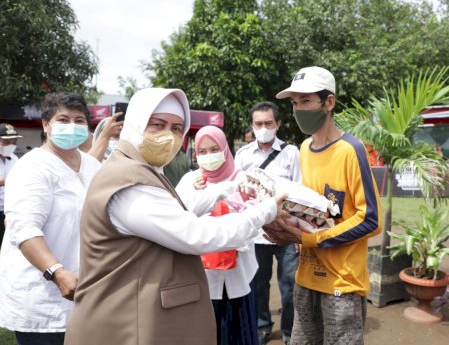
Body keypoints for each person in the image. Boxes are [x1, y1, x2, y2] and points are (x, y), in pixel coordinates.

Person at [65, 88, 286, 345]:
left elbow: (179, 212)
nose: (168, 135)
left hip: (133, 315)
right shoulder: (130, 181)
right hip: (126, 325)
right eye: (158, 125)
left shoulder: (141, 170)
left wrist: (222, 191)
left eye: (177, 128)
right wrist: (264, 211)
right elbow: (195, 234)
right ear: (137, 124)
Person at [264, 66, 382, 344]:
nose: (298, 109)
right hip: (306, 278)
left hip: (342, 284)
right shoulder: (305, 149)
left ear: (329, 102)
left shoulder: (351, 151)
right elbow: (314, 207)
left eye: (306, 101)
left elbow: (370, 220)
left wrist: (310, 238)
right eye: (294, 103)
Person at [0, 93, 101, 345]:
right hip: (43, 297)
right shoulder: (32, 167)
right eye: (63, 119)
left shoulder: (92, 166)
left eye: (79, 120)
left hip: (86, 292)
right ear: (46, 125)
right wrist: (56, 272)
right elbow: (23, 228)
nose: (72, 126)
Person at [176, 125, 259, 345]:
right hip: (203, 279)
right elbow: (178, 220)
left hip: (239, 275)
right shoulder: (189, 181)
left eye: (214, 149)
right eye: (202, 151)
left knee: (240, 333)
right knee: (208, 334)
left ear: (225, 149)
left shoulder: (245, 180)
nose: (208, 155)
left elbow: (256, 222)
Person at [234, 101, 302, 345]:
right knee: (258, 285)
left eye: (268, 123)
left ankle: (290, 331)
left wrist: (299, 234)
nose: (263, 128)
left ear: (278, 124)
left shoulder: (291, 153)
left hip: (287, 233)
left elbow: (300, 191)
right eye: (258, 124)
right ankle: (262, 326)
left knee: (291, 286)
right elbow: (235, 193)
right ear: (252, 125)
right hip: (255, 234)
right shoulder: (242, 156)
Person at [0, 123, 22, 250]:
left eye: (14, 141)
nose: (11, 145)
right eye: (6, 141)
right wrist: (4, 181)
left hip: (8, 209)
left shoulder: (14, 159)